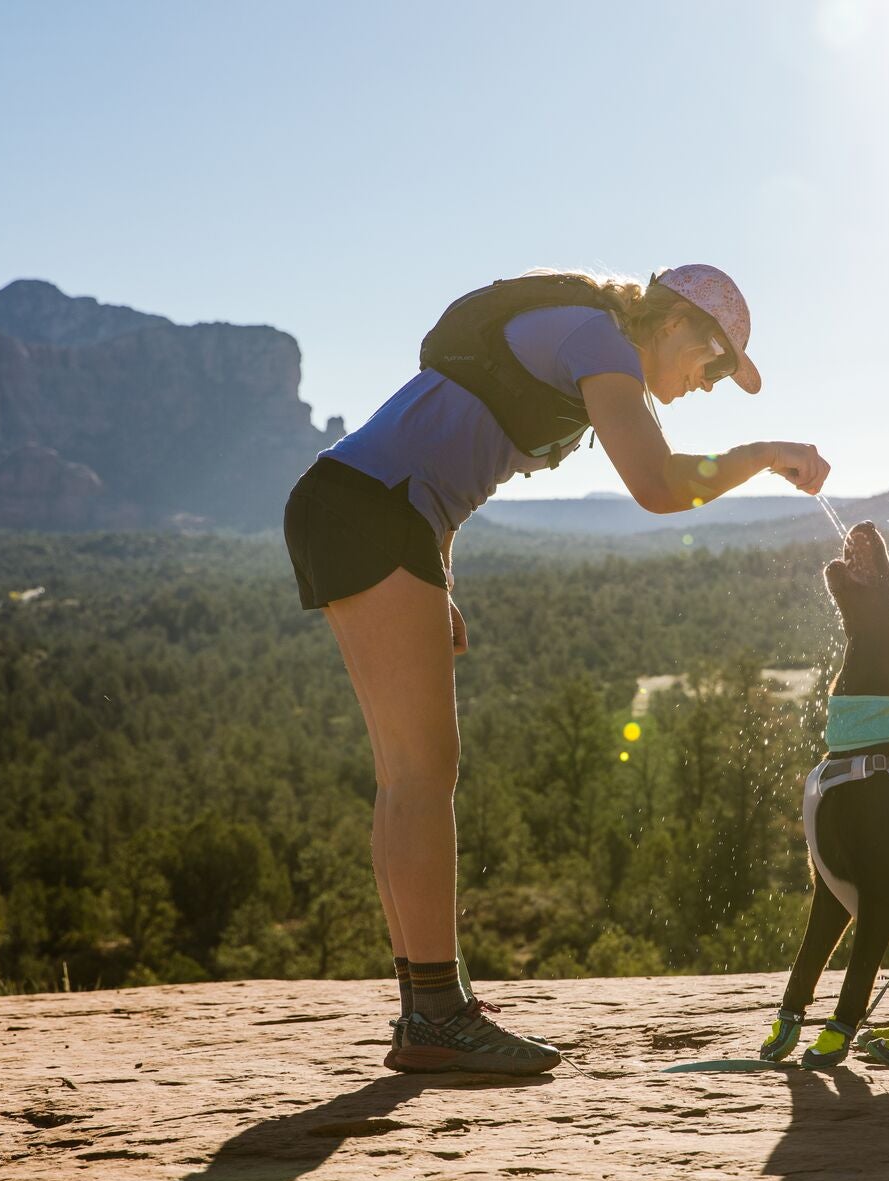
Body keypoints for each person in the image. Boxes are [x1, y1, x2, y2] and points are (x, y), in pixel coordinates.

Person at [283, 264, 830, 1074]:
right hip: (371, 512)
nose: (709, 385)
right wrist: (766, 452)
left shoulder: (589, 345)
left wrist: (440, 583)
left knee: (405, 775)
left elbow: (434, 452)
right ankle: (437, 1011)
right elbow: (658, 486)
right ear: (679, 324)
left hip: (362, 508)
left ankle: (425, 1005)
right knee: (425, 773)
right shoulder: (600, 340)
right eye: (715, 366)